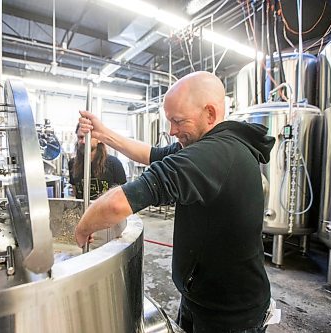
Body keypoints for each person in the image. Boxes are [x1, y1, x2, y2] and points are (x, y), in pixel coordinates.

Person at [75, 71, 275, 332]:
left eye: (178, 121)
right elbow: (152, 154)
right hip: (201, 294)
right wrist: (104, 133)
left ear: (210, 114)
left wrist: (83, 228)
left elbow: (118, 203)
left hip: (229, 314)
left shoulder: (215, 155)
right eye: (169, 121)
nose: (172, 131)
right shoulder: (209, 145)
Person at [68, 124, 126, 200]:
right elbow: (76, 193)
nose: (84, 141)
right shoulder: (72, 164)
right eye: (80, 137)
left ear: (99, 139)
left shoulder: (114, 164)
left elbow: (123, 196)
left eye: (88, 137)